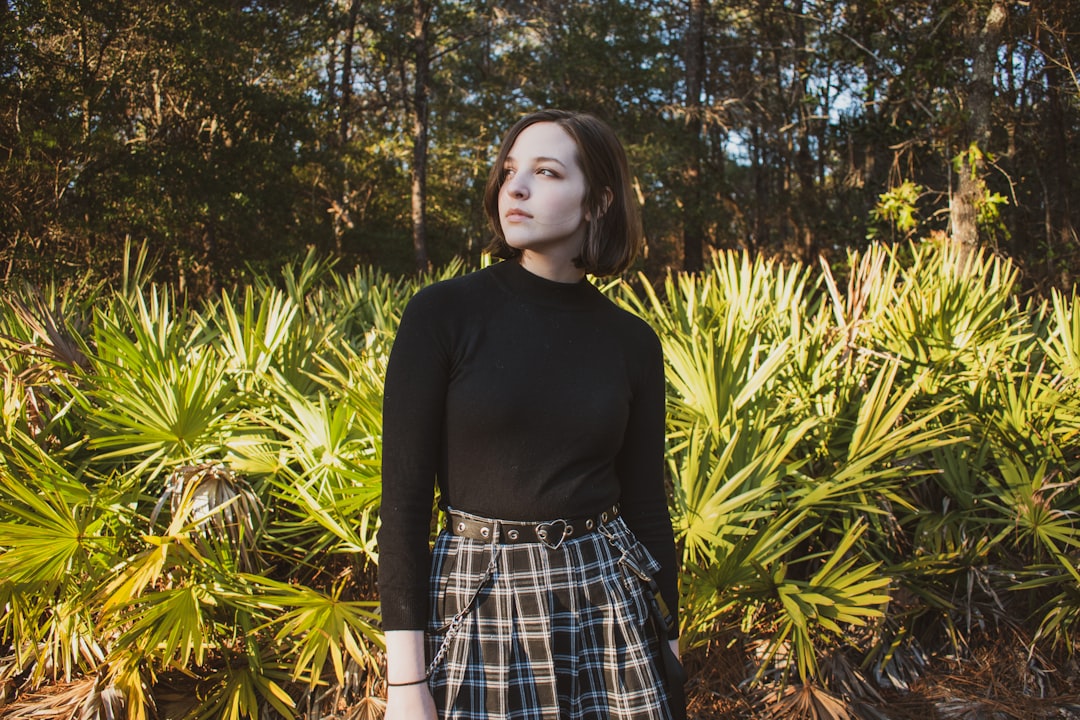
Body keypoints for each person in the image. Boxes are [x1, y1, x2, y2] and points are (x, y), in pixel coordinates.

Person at [377, 108, 685, 720]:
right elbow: (404, 503)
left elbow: (647, 503)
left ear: (597, 202)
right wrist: (405, 684)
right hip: (480, 599)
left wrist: (670, 647)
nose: (513, 188)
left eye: (545, 172)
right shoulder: (443, 314)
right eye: (510, 171)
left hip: (608, 602)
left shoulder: (631, 341)